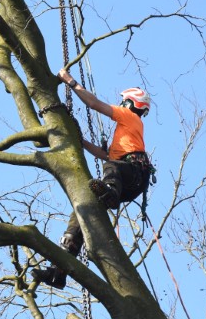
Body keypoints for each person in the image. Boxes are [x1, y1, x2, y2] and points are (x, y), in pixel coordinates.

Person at [33, 67, 155, 289]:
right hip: (126, 179)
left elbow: (94, 104)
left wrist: (71, 82)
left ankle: (110, 191)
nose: (122, 105)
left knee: (111, 168)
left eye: (124, 102)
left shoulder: (128, 117)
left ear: (131, 104)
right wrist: (81, 142)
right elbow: (105, 155)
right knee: (82, 208)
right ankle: (59, 271)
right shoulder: (126, 133)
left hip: (130, 173)